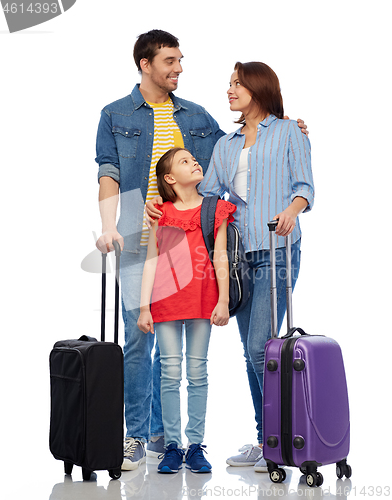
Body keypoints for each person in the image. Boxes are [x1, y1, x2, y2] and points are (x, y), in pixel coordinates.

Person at [95, 27, 308, 471]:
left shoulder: (197, 118)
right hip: (139, 233)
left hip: (192, 240)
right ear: (145, 64)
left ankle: (174, 437)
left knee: (189, 349)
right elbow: (109, 173)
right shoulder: (114, 114)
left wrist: (290, 129)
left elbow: (226, 164)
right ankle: (139, 436)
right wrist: (108, 226)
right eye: (170, 61)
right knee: (140, 338)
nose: (179, 69)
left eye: (180, 60)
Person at [146, 61, 314, 472]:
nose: (229, 90)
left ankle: (275, 438)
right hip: (240, 258)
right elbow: (199, 190)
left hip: (277, 249)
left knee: (261, 347)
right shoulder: (227, 145)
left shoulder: (290, 132)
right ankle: (266, 437)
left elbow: (304, 187)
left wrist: (292, 210)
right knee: (250, 351)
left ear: (257, 88)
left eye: (237, 83)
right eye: (230, 83)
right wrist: (161, 202)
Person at [137, 147, 235, 473]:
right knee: (169, 374)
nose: (194, 162)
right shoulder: (160, 214)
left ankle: (195, 446)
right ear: (169, 178)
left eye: (194, 158)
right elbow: (151, 260)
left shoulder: (215, 209)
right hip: (165, 303)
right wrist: (144, 308)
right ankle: (172, 446)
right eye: (184, 161)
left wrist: (223, 299)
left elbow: (220, 255)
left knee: (197, 373)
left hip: (202, 301)